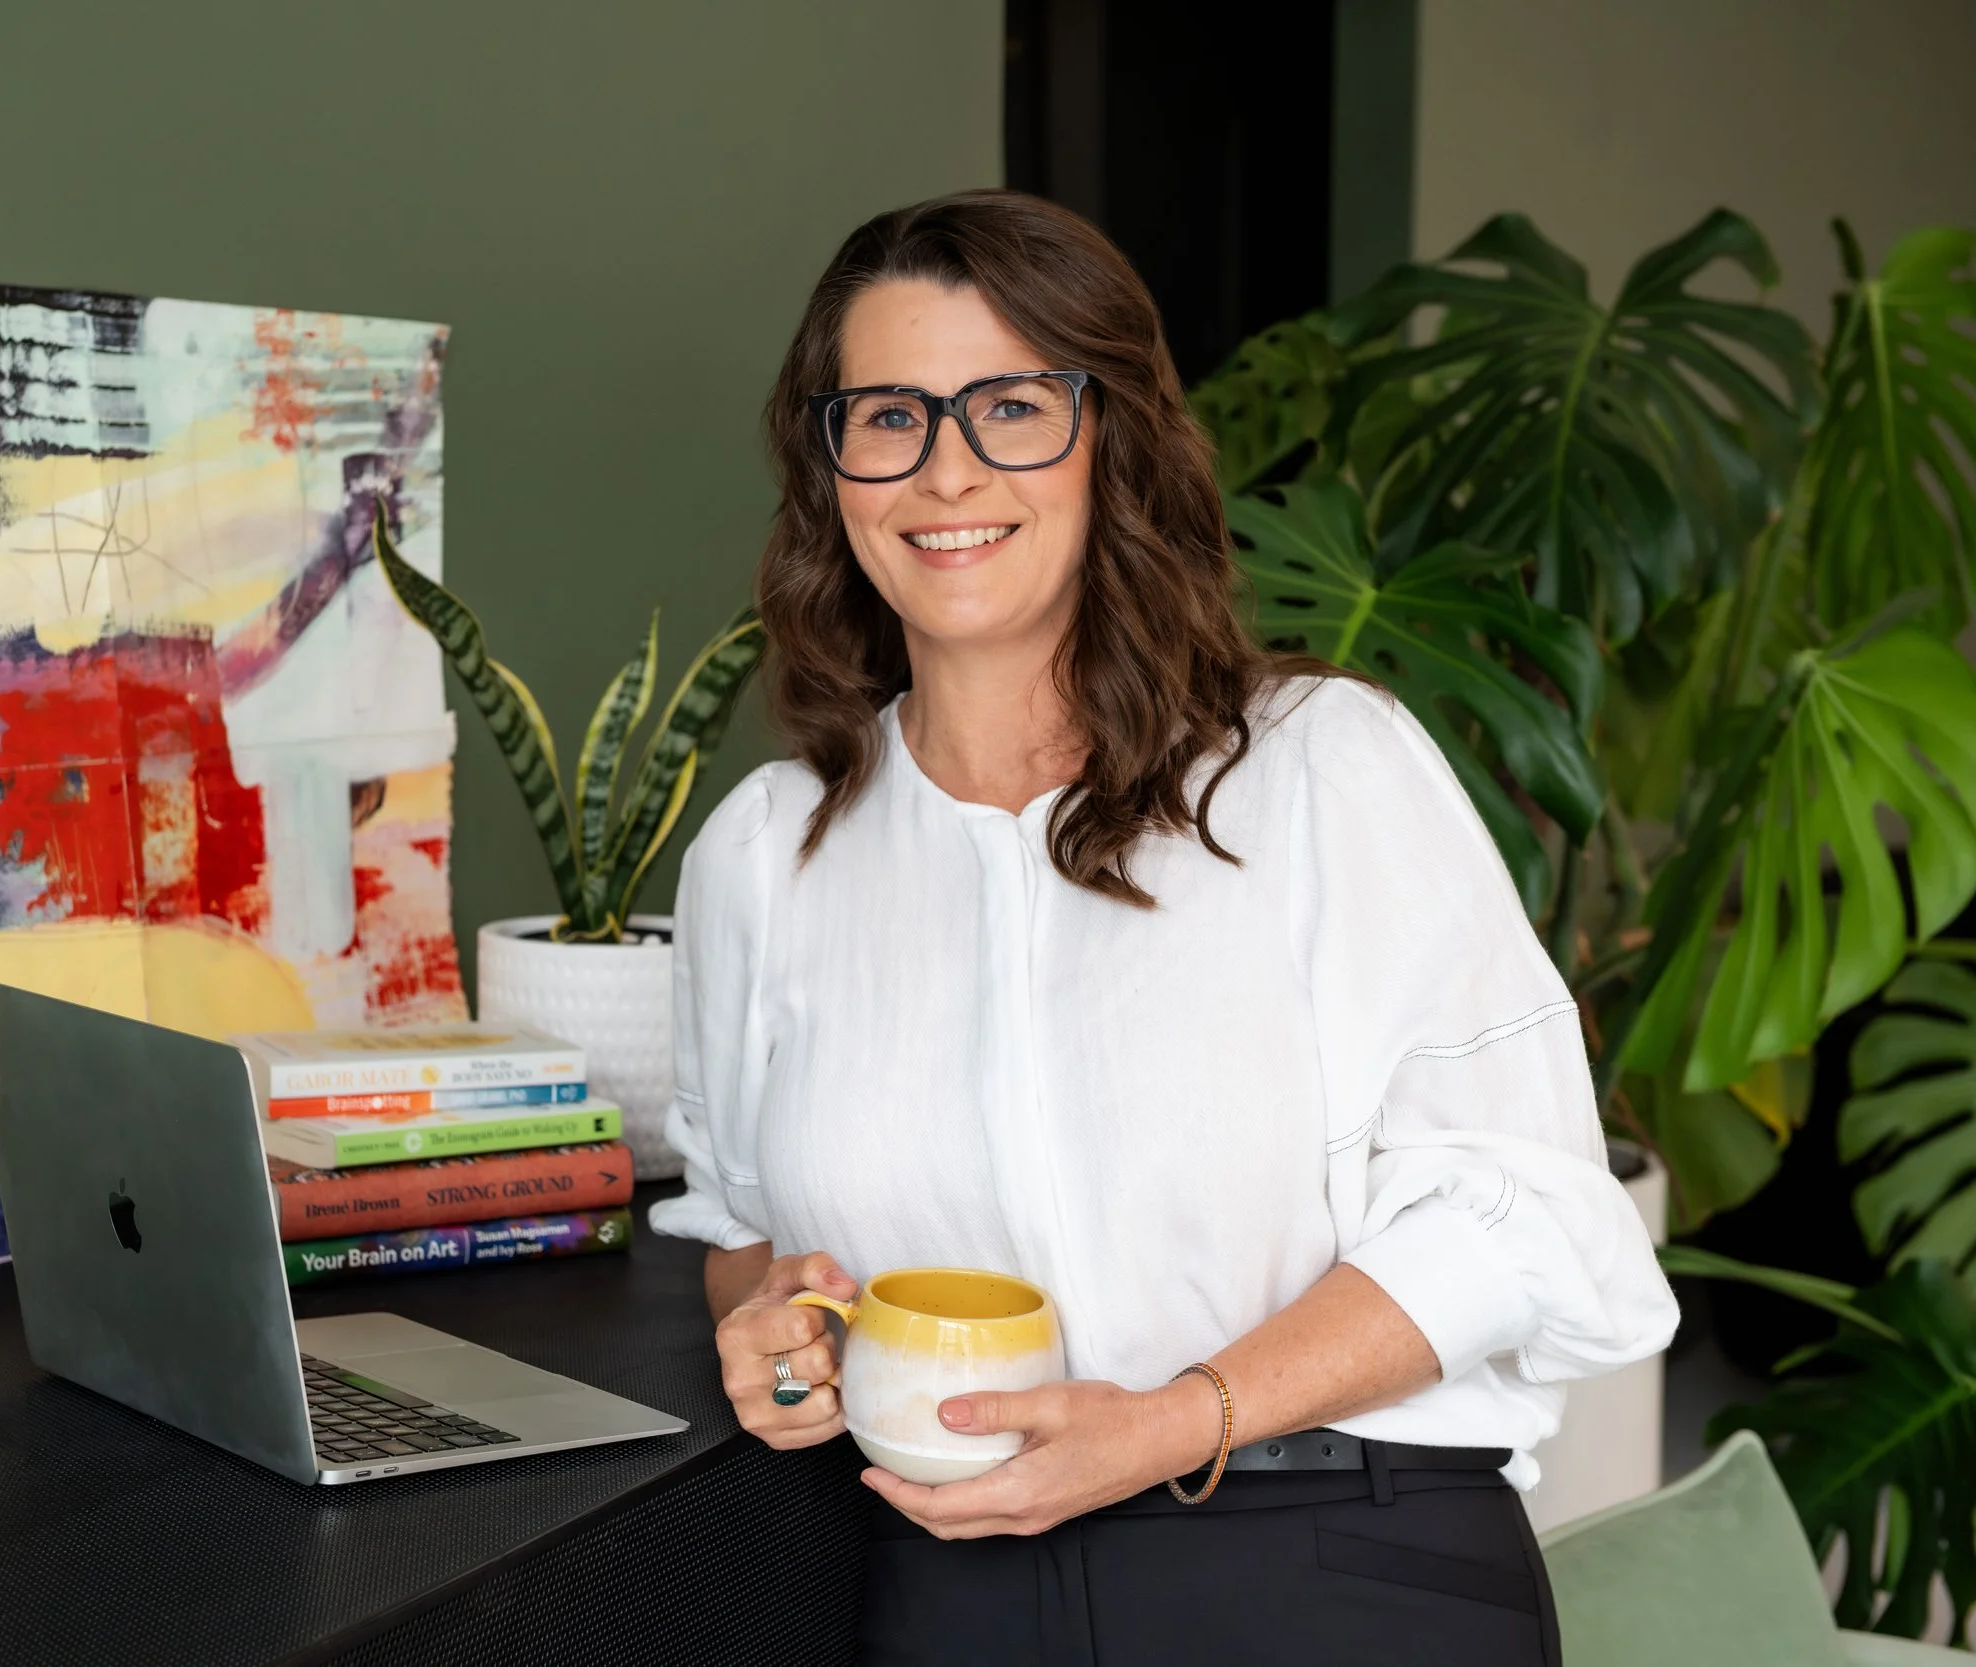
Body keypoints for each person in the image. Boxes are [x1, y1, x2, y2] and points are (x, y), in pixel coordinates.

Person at [646, 190, 1677, 1666]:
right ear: (831, 465)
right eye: (886, 416)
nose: (945, 472)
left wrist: (1176, 1420)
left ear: (1109, 434)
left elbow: (1517, 1211)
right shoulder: (764, 853)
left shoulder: (1320, 766)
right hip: (948, 1590)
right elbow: (745, 1233)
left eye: (1008, 405)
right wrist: (771, 1327)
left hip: (1333, 1557)